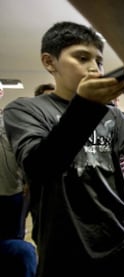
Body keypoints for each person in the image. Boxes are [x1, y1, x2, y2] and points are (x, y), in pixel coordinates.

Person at [3, 21, 124, 276]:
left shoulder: (112, 113)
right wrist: (85, 105)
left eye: (99, 61)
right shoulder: (25, 109)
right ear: (50, 62)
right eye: (81, 57)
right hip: (65, 252)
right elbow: (40, 167)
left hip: (122, 242)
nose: (94, 67)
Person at [0, 84, 37, 277]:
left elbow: (24, 154)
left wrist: (27, 183)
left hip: (12, 192)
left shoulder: (11, 121)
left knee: (16, 243)